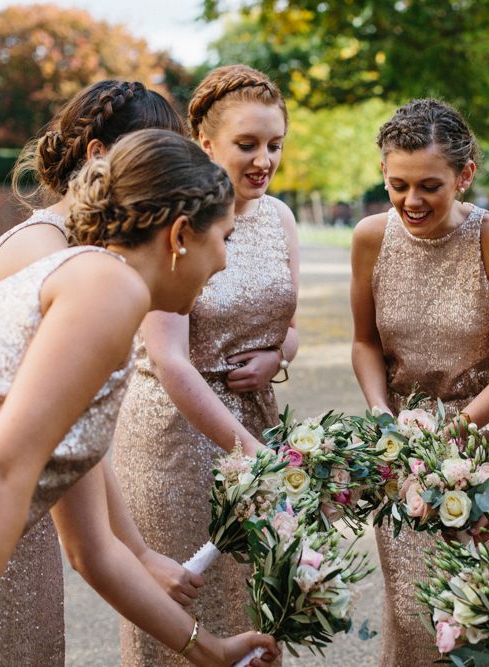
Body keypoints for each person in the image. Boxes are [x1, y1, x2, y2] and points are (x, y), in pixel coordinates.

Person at [0, 129, 279, 667]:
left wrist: (211, 650)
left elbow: (94, 552)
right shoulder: (110, 288)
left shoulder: (97, 288)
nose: (223, 263)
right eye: (225, 238)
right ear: (178, 236)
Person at [0, 79, 201, 666]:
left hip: (17, 527)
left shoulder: (74, 255)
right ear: (97, 155)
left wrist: (139, 550)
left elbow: (79, 449)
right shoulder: (48, 259)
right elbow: (86, 545)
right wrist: (140, 564)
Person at [112, 64, 299, 666]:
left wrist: (277, 356)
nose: (263, 160)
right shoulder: (174, 217)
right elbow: (168, 359)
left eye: (274, 144)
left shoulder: (281, 218)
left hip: (254, 422)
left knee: (258, 602)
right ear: (207, 144)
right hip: (175, 435)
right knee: (182, 610)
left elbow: (287, 323)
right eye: (247, 145)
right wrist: (249, 450)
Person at [350, 98, 489, 666]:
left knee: (482, 604)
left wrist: (449, 434)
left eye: (429, 185)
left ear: (465, 175)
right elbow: (364, 344)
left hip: (488, 443)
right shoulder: (369, 237)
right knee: (412, 611)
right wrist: (384, 417)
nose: (411, 200)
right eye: (397, 184)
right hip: (401, 449)